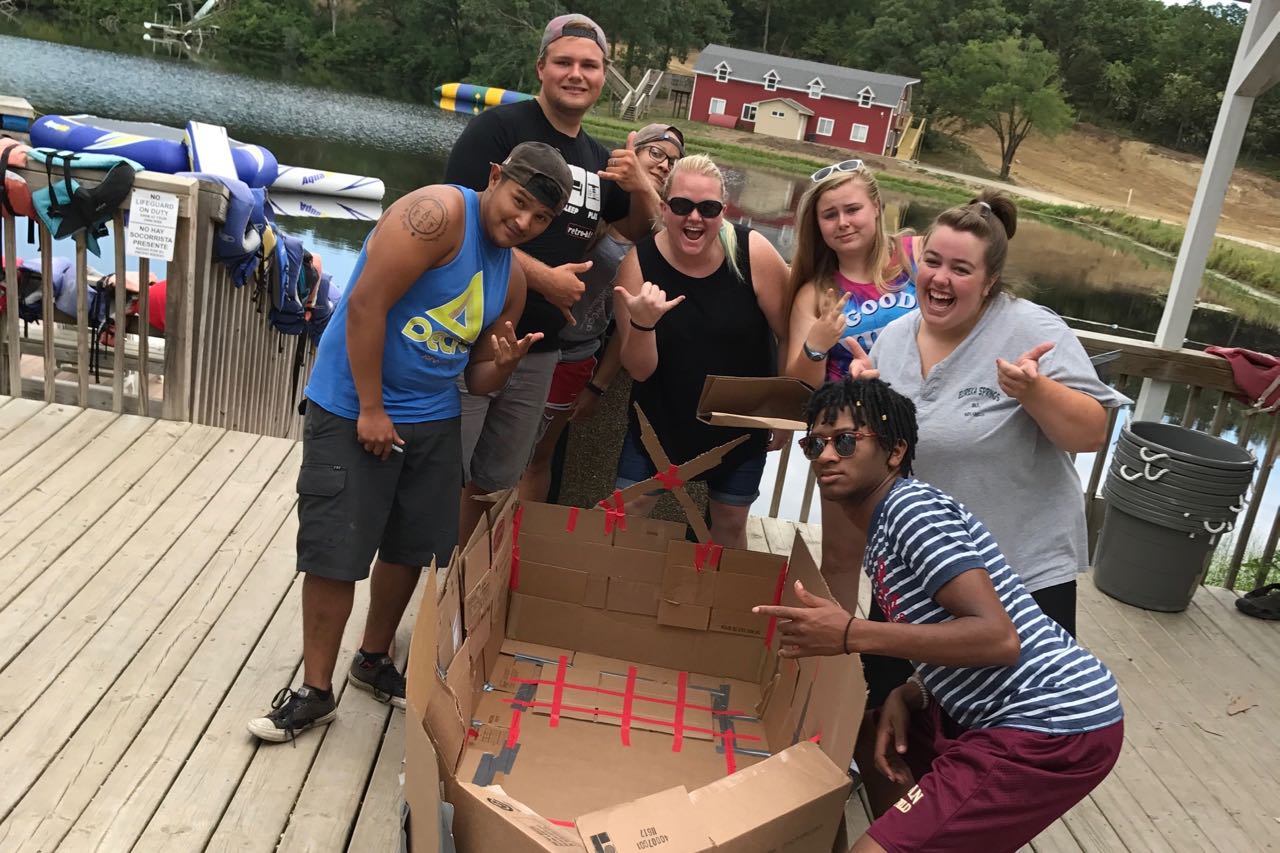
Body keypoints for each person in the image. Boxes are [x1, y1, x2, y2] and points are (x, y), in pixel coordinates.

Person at [247, 143, 573, 742]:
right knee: (335, 550)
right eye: (519, 203)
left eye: (540, 219)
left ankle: (373, 660)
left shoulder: (511, 281)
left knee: (411, 547)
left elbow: (475, 377)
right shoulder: (436, 215)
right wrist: (370, 408)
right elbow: (367, 303)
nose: (523, 222)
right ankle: (316, 690)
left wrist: (501, 367)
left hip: (433, 415)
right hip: (353, 404)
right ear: (495, 177)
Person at [754, 377, 1124, 853]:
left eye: (846, 441)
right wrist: (914, 692)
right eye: (814, 444)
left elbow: (997, 639)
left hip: (1049, 721)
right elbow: (950, 631)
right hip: (1004, 707)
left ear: (894, 451)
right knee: (870, 732)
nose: (826, 456)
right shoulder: (886, 524)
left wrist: (851, 632)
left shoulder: (911, 510)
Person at [850, 191, 1128, 810]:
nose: (941, 279)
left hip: (1022, 573)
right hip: (919, 573)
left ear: (991, 279)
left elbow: (1090, 434)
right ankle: (898, 826)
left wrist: (1034, 391)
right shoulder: (894, 339)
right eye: (933, 262)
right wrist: (864, 406)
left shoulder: (1030, 328)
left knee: (1003, 745)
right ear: (914, 259)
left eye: (961, 268)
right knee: (891, 719)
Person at [444, 13, 660, 545]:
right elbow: (456, 221)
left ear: (604, 77)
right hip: (468, 335)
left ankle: (456, 590)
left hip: (541, 352)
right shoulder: (498, 130)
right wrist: (542, 278)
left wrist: (640, 187)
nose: (575, 73)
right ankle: (422, 585)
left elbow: (639, 229)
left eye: (589, 65)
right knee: (444, 473)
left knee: (494, 482)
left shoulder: (596, 156)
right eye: (563, 61)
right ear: (541, 67)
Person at [612, 154, 791, 548]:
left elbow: (790, 333)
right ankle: (614, 600)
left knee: (728, 523)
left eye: (708, 208)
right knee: (625, 514)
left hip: (739, 425)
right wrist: (643, 323)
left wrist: (785, 412)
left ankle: (716, 607)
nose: (694, 218)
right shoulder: (638, 266)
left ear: (722, 212)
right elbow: (639, 371)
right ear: (663, 207)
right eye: (681, 206)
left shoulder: (753, 252)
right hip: (660, 422)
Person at [520, 123, 685, 503]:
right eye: (655, 153)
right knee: (502, 455)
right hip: (533, 343)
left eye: (673, 161)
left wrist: (597, 385)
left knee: (536, 460)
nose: (663, 164)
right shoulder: (594, 217)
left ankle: (518, 546)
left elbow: (625, 328)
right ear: (631, 153)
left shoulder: (662, 243)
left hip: (578, 357)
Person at [784, 159, 919, 612]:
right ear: (816, 226)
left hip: (925, 429)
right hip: (849, 442)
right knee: (843, 558)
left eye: (853, 209)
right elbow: (797, 386)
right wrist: (817, 346)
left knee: (918, 560)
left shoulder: (916, 263)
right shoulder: (815, 293)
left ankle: (909, 666)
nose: (842, 223)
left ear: (877, 208)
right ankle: (838, 658)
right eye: (829, 215)